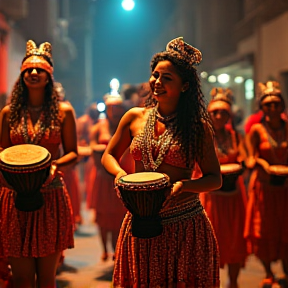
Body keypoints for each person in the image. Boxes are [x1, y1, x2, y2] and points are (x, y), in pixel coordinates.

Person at [101, 36, 222, 287]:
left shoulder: (197, 127)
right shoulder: (134, 117)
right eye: (155, 75)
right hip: (140, 219)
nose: (157, 82)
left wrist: (185, 186)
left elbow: (214, 179)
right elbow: (109, 155)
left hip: (184, 225)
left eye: (167, 78)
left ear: (185, 86)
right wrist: (120, 175)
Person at [0, 40, 77, 288]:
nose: (33, 73)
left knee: (45, 279)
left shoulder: (64, 111)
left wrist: (54, 166)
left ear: (48, 76)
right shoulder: (8, 112)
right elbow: (1, 149)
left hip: (50, 195)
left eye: (39, 69)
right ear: (22, 76)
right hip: (15, 195)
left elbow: (73, 153)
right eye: (28, 70)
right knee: (21, 278)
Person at [200, 87, 247, 288]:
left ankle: (234, 282)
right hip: (211, 198)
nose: (219, 116)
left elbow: (245, 156)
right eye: (215, 112)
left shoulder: (236, 136)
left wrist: (245, 163)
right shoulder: (202, 136)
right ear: (209, 114)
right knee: (211, 243)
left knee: (235, 240)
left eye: (224, 113)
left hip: (234, 198)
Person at [245, 81, 288, 287]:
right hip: (264, 187)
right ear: (262, 107)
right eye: (268, 104)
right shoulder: (256, 129)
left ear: (283, 106)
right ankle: (269, 272)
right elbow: (250, 158)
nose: (272, 108)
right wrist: (264, 164)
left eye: (276, 103)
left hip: (285, 188)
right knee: (263, 230)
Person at [89, 92, 127, 261]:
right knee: (103, 216)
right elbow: (92, 147)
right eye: (112, 108)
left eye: (118, 107)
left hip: (122, 174)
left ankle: (118, 249)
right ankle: (105, 249)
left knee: (120, 215)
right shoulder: (99, 127)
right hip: (103, 177)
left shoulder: (126, 125)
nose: (115, 111)